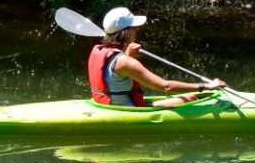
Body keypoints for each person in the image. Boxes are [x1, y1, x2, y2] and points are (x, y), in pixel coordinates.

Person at [87, 7, 223, 108]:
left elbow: (115, 75)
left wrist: (128, 55)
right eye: (134, 28)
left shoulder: (103, 50)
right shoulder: (125, 62)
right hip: (130, 111)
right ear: (126, 32)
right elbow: (166, 87)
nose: (137, 30)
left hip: (110, 106)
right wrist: (206, 86)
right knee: (191, 98)